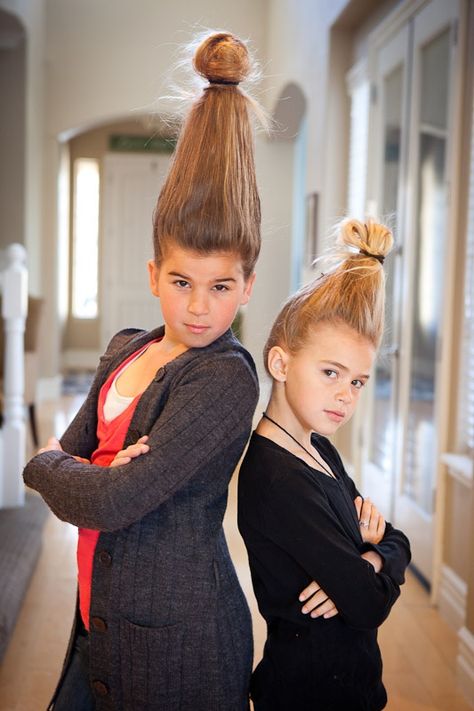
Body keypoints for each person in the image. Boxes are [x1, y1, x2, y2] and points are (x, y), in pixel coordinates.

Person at [24, 31, 264, 711]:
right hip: (96, 618)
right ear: (153, 272)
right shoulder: (125, 346)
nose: (198, 306)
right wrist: (82, 469)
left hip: (180, 646)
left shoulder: (225, 378)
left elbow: (106, 499)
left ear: (249, 284)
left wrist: (45, 466)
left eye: (222, 287)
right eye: (182, 280)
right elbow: (83, 464)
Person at [238, 218, 412, 711]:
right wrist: (365, 568)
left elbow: (396, 539)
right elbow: (368, 604)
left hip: (350, 686)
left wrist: (374, 559)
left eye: (357, 381)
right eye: (330, 372)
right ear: (281, 364)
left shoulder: (319, 448)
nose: (344, 394)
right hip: (308, 694)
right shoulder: (278, 480)